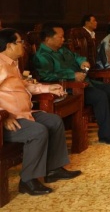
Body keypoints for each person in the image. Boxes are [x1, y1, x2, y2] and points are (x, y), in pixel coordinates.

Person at [0, 28, 81, 196]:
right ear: (9, 46)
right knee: (38, 132)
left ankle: (53, 169)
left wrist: (47, 87)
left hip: (24, 114)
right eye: (20, 42)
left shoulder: (12, 63)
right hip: (8, 121)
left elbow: (23, 85)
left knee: (53, 121)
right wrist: (3, 116)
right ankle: (28, 181)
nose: (23, 45)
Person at [33, 23, 110, 145]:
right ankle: (106, 135)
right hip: (69, 88)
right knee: (100, 96)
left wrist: (83, 62)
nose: (64, 39)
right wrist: (72, 76)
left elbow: (76, 57)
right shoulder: (41, 56)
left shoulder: (62, 49)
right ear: (48, 39)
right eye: (60, 37)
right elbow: (46, 76)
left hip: (86, 82)